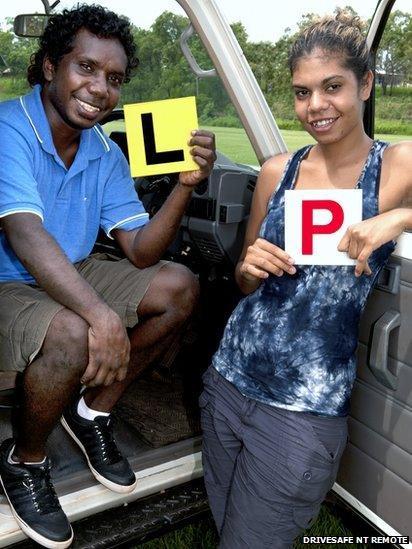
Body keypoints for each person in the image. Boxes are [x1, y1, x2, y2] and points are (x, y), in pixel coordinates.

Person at [0, 5, 215, 548]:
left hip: (69, 269)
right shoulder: (7, 129)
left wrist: (185, 186)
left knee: (180, 287)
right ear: (50, 65)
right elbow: (25, 233)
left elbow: (141, 254)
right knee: (73, 329)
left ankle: (92, 411)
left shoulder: (103, 150)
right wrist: (98, 315)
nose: (100, 89)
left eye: (114, 78)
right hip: (8, 280)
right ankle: (25, 461)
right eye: (86, 68)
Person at [200, 12, 412, 549]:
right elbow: (245, 281)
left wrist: (400, 217)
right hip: (226, 383)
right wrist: (246, 269)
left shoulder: (397, 165)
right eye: (301, 92)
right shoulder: (278, 170)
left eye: (332, 87)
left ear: (365, 85)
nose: (315, 105)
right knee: (226, 524)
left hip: (302, 414)